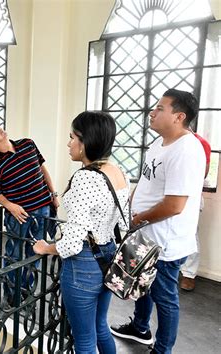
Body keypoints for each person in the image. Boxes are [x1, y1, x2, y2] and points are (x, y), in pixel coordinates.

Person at [110, 89, 205, 354]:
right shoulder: (159, 143)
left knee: (165, 298)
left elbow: (175, 205)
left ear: (179, 116)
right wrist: (132, 205)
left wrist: (139, 218)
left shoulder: (186, 150)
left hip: (165, 240)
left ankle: (162, 349)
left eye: (160, 108)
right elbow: (148, 181)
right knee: (143, 285)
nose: (152, 112)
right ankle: (140, 328)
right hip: (147, 233)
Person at [33, 111, 129, 354]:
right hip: (107, 256)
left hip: (83, 264)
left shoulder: (85, 178)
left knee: (84, 340)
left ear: (86, 141)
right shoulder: (116, 171)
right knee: (100, 327)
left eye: (72, 137)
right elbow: (122, 223)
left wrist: (46, 248)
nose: (68, 143)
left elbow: (73, 243)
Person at [0, 125, 59, 304]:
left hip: (43, 209)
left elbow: (42, 169)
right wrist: (11, 206)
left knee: (36, 252)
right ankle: (12, 293)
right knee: (13, 254)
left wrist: (53, 194)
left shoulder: (28, 144)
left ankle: (26, 289)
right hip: (18, 215)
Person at [179, 131, 211, 291]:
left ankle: (189, 274)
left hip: (190, 198)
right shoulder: (162, 142)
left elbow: (202, 173)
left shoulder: (200, 143)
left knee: (190, 235)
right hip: (165, 196)